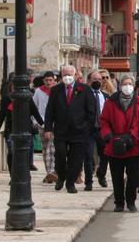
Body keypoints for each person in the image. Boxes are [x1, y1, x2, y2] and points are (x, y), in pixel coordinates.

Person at [43, 64, 97, 193]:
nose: (67, 77)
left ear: (76, 76)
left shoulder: (85, 89)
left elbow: (91, 111)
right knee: (60, 155)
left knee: (76, 159)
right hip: (61, 130)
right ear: (61, 76)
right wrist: (48, 128)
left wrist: (87, 127)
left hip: (79, 131)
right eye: (64, 75)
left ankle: (70, 183)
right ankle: (61, 176)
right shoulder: (56, 90)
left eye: (69, 75)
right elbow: (50, 110)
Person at [100, 75, 139, 212]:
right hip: (115, 145)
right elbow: (104, 121)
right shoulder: (111, 102)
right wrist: (108, 136)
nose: (127, 87)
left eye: (130, 84)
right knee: (116, 177)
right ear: (120, 86)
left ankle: (131, 201)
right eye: (125, 84)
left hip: (133, 144)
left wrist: (136, 135)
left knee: (133, 177)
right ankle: (119, 202)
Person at [84, 70, 109, 190]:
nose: (98, 81)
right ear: (89, 81)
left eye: (100, 79)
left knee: (105, 154)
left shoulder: (105, 96)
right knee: (88, 156)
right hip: (88, 130)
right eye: (95, 80)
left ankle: (101, 174)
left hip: (102, 129)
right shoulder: (83, 95)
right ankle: (88, 182)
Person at [33, 71, 57, 183]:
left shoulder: (58, 91)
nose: (48, 82)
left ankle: (52, 171)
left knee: (52, 148)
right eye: (46, 80)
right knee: (45, 148)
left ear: (54, 80)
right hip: (42, 124)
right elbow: (34, 107)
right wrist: (35, 121)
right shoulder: (38, 92)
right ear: (43, 81)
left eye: (50, 80)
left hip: (55, 124)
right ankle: (49, 172)